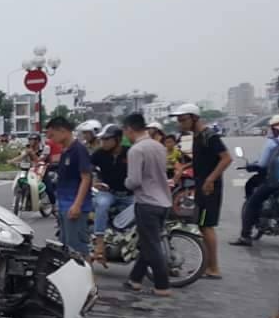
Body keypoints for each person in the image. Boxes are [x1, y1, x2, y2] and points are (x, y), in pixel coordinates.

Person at [173, 102, 230, 278]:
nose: (180, 123)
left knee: (207, 226)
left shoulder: (209, 136)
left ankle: (214, 268)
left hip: (209, 188)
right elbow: (202, 159)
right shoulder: (197, 136)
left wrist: (211, 179)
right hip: (201, 185)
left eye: (183, 119)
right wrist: (185, 167)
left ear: (194, 118)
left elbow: (226, 158)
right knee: (202, 225)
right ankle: (207, 266)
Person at [119, 113, 173, 296]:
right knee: (148, 242)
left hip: (147, 203)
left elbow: (134, 181)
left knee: (152, 245)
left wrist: (124, 183)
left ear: (129, 129)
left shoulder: (136, 150)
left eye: (125, 131)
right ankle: (135, 279)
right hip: (164, 201)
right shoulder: (159, 147)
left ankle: (162, 285)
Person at [46, 116, 93, 256]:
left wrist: (77, 205)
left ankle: (87, 277)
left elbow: (86, 178)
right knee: (66, 248)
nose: (50, 139)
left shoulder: (79, 150)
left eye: (52, 135)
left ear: (63, 131)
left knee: (78, 248)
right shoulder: (65, 151)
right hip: (64, 205)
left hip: (74, 207)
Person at [230, 115, 279, 247]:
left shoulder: (272, 143)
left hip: (274, 182)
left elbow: (262, 164)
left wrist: (251, 166)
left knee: (252, 203)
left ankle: (245, 236)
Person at [90, 124, 132, 263]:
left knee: (143, 209)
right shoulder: (99, 154)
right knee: (102, 204)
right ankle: (100, 242)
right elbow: (87, 169)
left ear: (118, 139)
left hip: (129, 194)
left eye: (107, 139)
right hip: (108, 192)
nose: (104, 142)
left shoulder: (130, 152)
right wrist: (94, 181)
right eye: (103, 139)